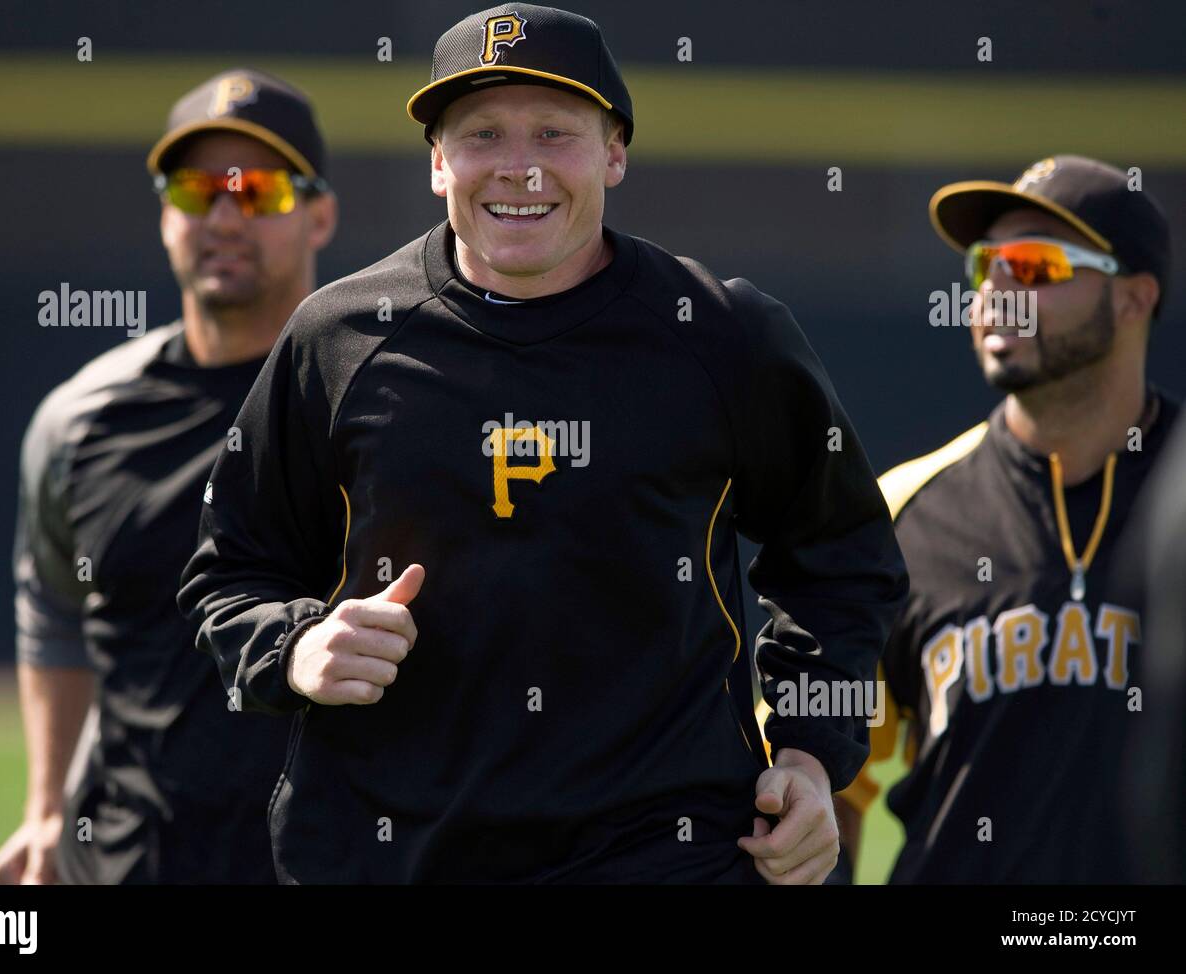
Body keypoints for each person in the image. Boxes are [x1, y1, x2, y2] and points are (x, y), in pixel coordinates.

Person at [178, 4, 906, 884]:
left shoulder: (721, 335)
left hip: (664, 855)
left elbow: (842, 558)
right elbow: (229, 571)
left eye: (555, 133)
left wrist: (810, 755)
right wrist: (295, 648)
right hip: (390, 853)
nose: (518, 167)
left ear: (615, 152)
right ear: (439, 161)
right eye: (481, 133)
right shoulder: (340, 338)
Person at [0, 68, 339, 884]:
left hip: (325, 861)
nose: (222, 215)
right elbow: (53, 609)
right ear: (165, 216)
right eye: (193, 191)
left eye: (256, 190)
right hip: (126, 861)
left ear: (319, 212)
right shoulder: (82, 418)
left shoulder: (370, 402)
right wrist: (45, 808)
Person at [837, 155, 1176, 883]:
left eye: (1032, 267)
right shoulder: (902, 513)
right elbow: (816, 774)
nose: (995, 293)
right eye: (984, 267)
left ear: (1132, 298)